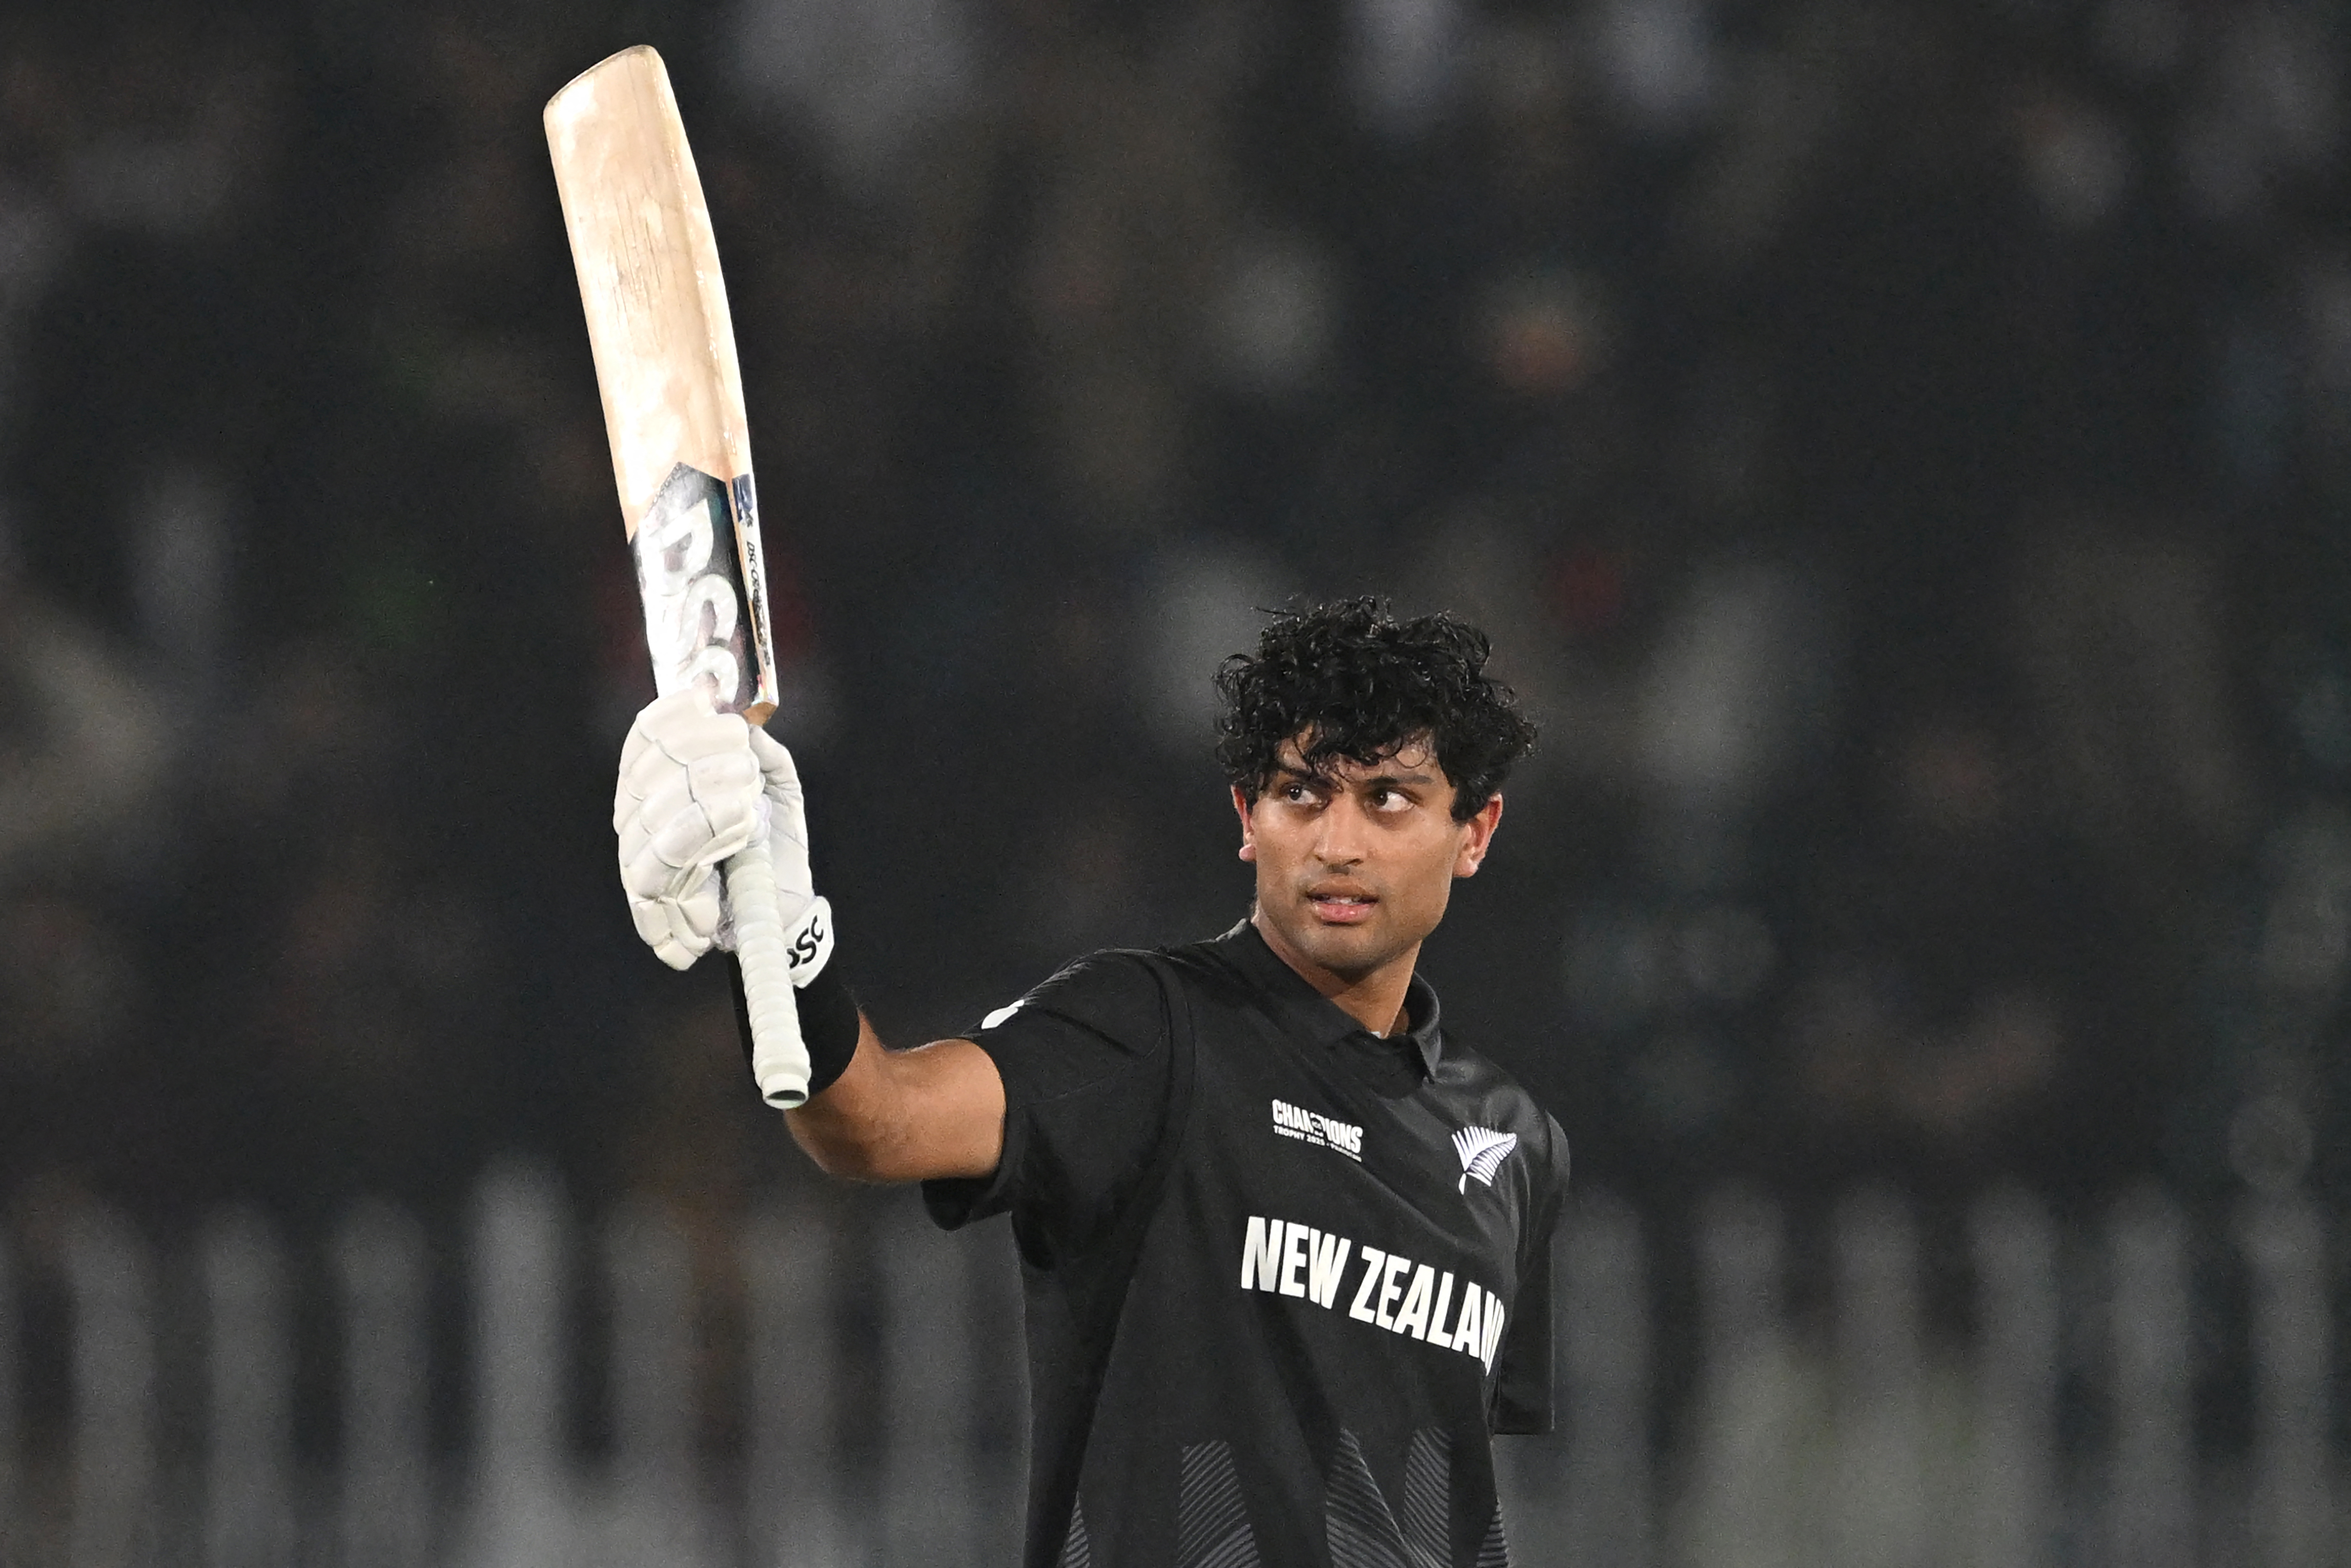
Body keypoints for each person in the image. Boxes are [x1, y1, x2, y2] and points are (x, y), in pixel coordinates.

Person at [613, 597, 1566, 1567]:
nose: (1338, 844)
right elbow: (874, 1121)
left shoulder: (1515, 1141)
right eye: (1302, 794)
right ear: (1249, 816)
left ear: (1475, 831)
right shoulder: (1153, 1030)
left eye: (1390, 799)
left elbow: (1455, 1490)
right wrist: (784, 937)